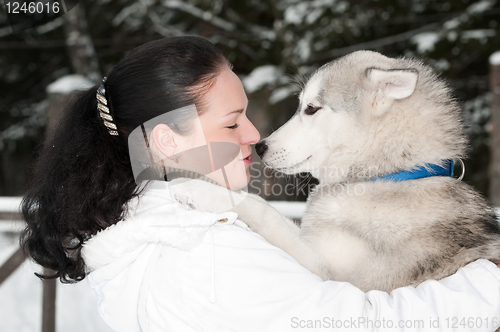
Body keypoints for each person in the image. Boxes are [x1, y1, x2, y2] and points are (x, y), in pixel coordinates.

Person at [20, 36, 500, 332]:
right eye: (232, 124)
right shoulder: (205, 252)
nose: (255, 135)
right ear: (165, 140)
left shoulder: (158, 226)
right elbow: (367, 324)